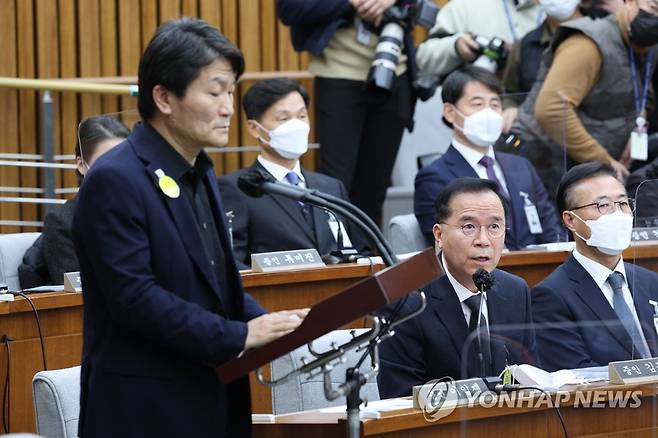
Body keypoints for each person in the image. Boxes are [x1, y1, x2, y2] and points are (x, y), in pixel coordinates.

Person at [72, 18, 308, 438]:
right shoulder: (115, 178)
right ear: (163, 96)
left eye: (231, 92)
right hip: (145, 411)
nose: (227, 108)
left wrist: (275, 324)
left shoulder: (199, 170)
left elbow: (215, 282)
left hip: (210, 398)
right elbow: (134, 298)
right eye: (215, 91)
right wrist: (238, 334)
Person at [378, 178, 538, 398]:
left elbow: (530, 381)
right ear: (439, 235)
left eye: (494, 227)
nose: (483, 240)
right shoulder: (405, 300)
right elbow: (400, 399)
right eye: (469, 227)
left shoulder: (515, 291)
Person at [276, 0, 416, 226]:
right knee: (335, 182)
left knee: (376, 183)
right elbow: (290, 9)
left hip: (395, 73)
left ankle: (368, 256)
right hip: (338, 75)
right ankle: (337, 253)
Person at [511, 0, 658, 193]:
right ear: (629, 2)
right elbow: (552, 109)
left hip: (589, 165)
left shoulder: (647, 44)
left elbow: (644, 94)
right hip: (544, 161)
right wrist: (604, 161)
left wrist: (637, 128)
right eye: (653, 7)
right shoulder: (589, 43)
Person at [218, 78, 367, 268]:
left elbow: (362, 252)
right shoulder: (237, 188)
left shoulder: (331, 187)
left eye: (302, 116)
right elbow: (232, 266)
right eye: (284, 118)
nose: (296, 126)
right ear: (255, 128)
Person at [414, 66, 562, 251]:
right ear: (450, 112)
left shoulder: (521, 166)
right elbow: (446, 248)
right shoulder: (434, 177)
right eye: (477, 104)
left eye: (494, 105)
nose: (488, 114)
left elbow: (551, 232)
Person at [532, 162, 658, 372]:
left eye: (623, 204)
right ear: (570, 220)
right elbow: (577, 377)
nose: (618, 215)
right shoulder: (551, 297)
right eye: (603, 205)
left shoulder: (651, 282)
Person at [18, 116, 129, 288]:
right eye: (107, 161)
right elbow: (75, 295)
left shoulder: (141, 210)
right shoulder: (62, 222)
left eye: (125, 160)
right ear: (82, 165)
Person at [502, 0, 589, 133]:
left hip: (592, 136)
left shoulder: (603, 36)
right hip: (537, 139)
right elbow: (510, 92)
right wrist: (510, 108)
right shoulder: (526, 45)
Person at [416, 0, 542, 78]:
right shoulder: (467, 4)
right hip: (469, 109)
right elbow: (424, 57)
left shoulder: (555, 13)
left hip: (529, 111)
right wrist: (455, 47)